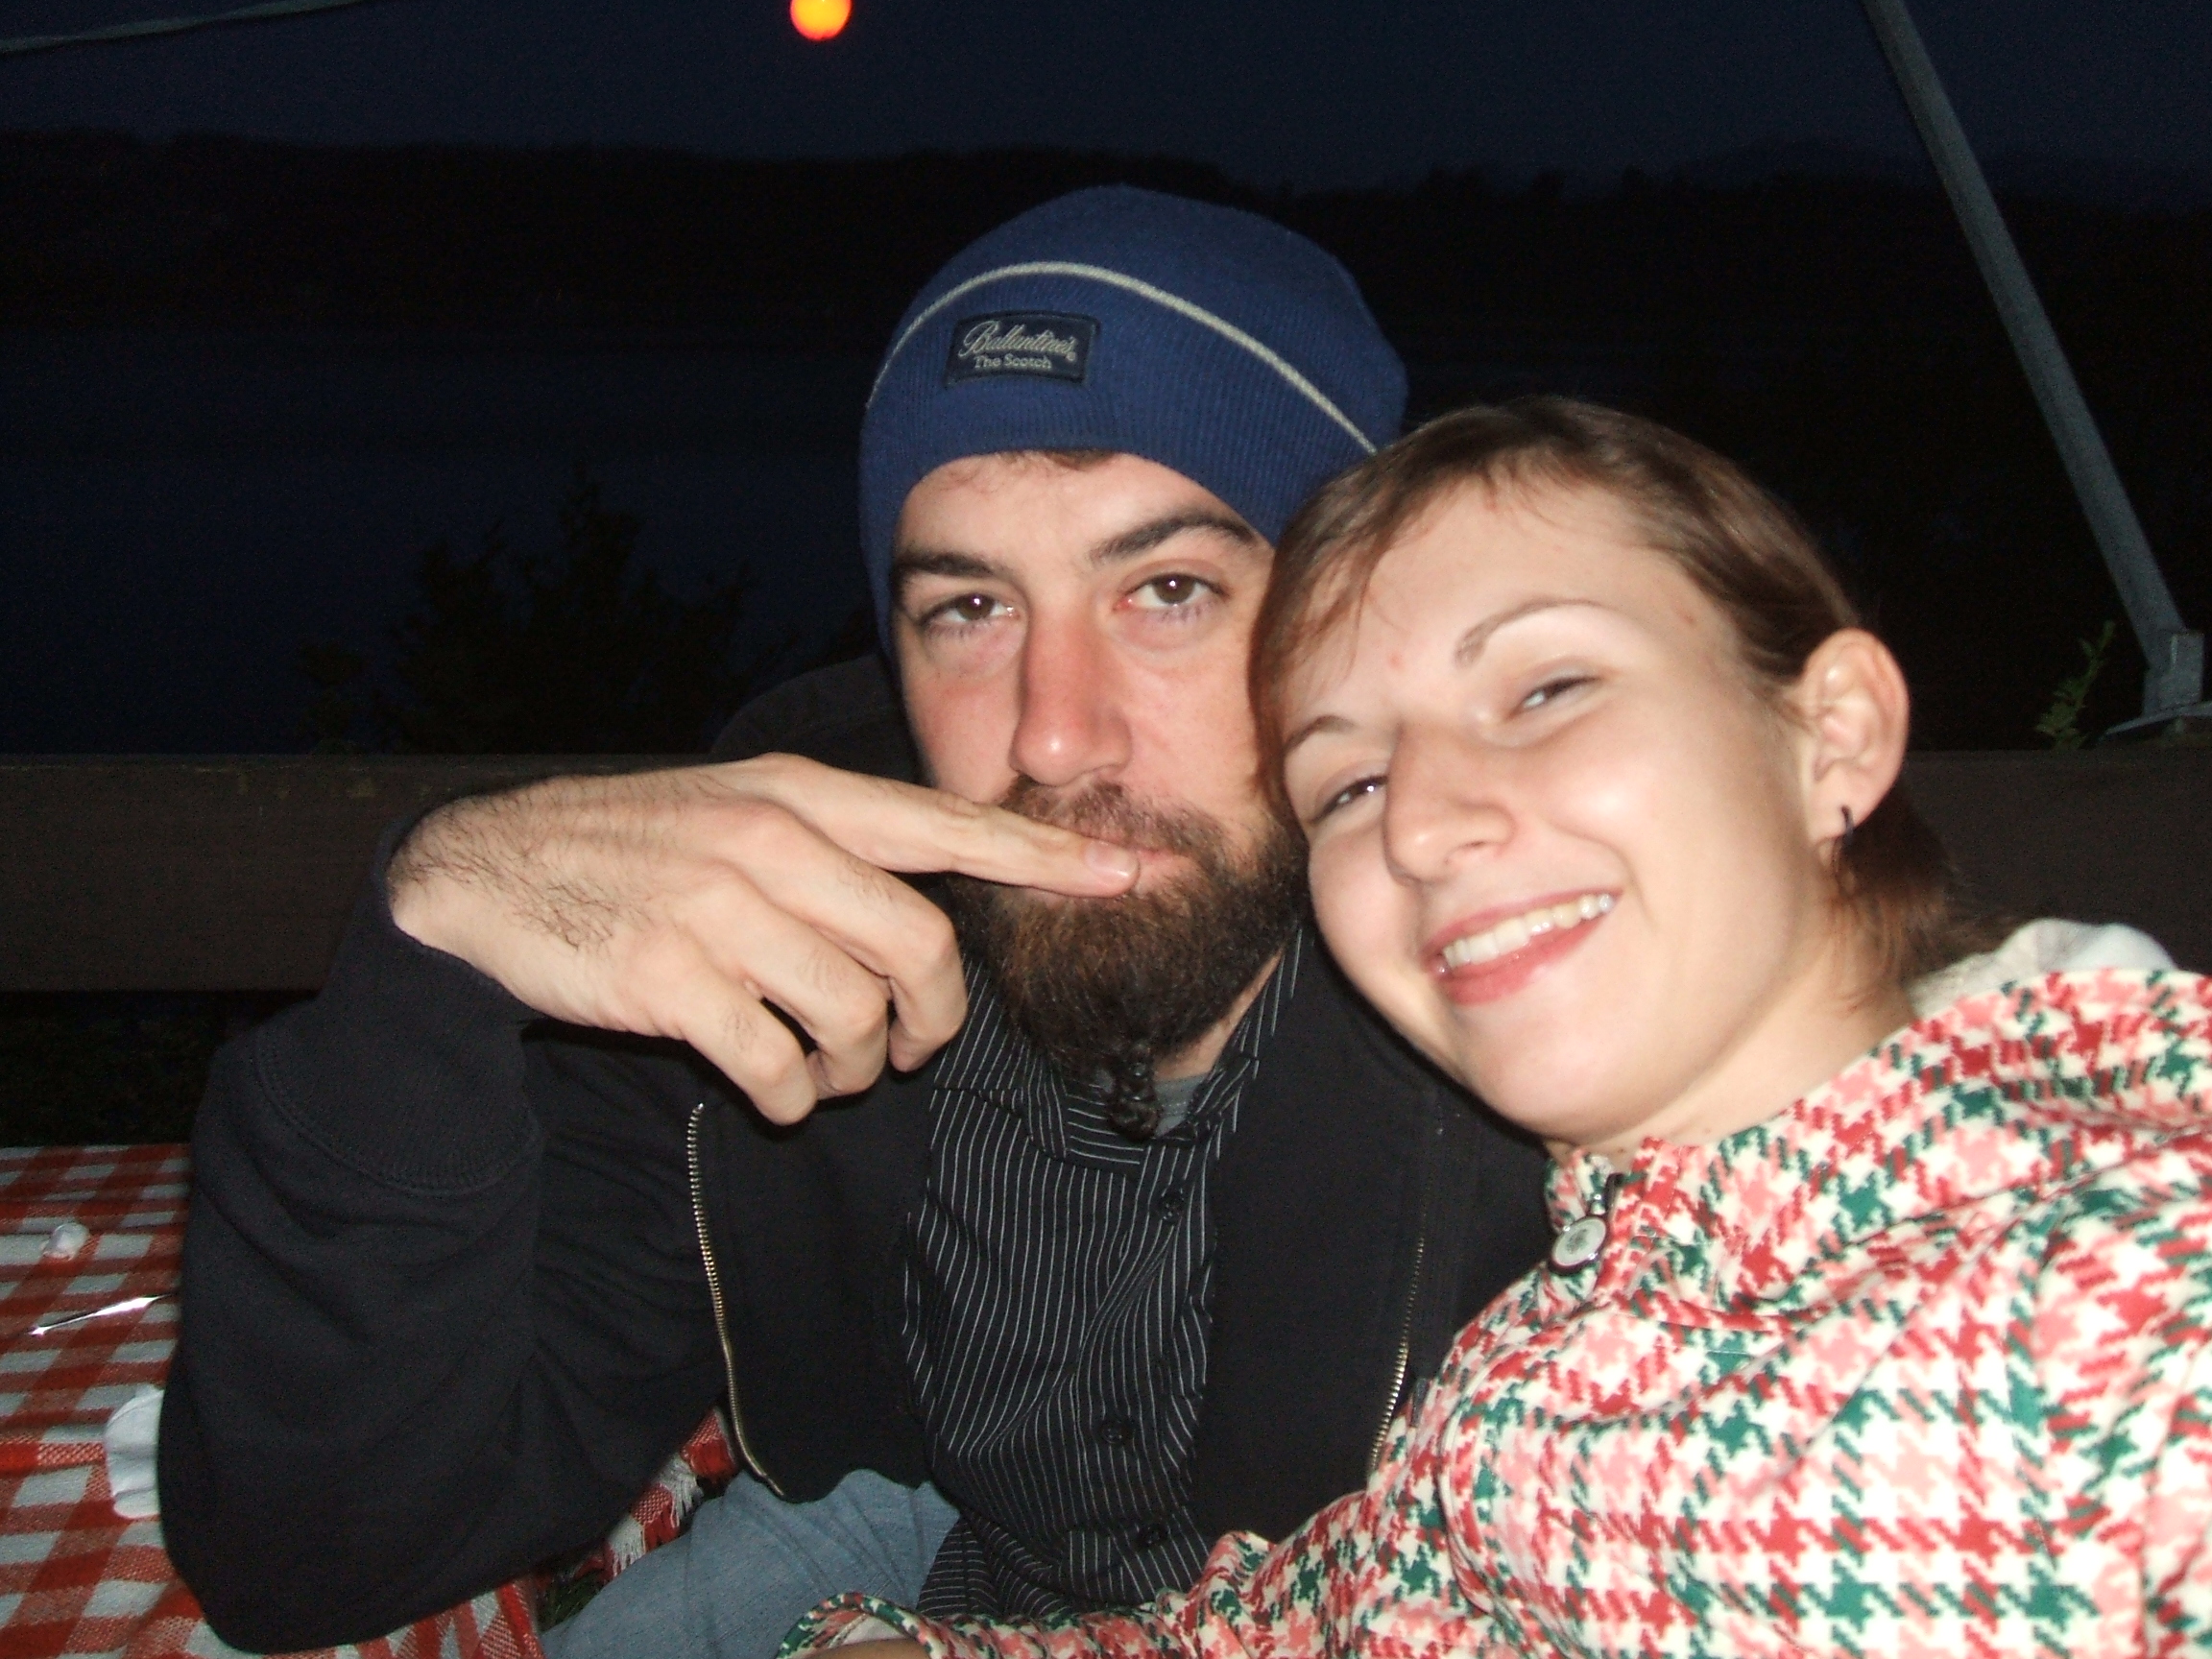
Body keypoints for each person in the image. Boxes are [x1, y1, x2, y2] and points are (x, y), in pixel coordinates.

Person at [158, 189, 1555, 1655]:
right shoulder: (786, 954)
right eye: (970, 608)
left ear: (1353, 623)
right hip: (908, 1539)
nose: (1055, 733)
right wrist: (430, 954)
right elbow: (314, 1549)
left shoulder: (1552, 1001)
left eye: (1168, 589)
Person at [787, 397, 2211, 1659]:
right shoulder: (1585, 1301)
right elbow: (1311, 1620)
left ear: (1828, 731)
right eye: (1347, 783)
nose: (1420, 825)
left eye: (1543, 690)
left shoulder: (2116, 1309)